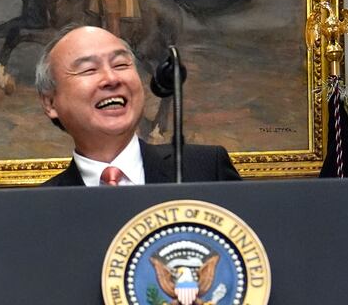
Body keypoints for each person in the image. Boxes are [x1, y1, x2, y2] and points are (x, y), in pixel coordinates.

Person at [35, 25, 240, 186]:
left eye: (121, 65)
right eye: (89, 69)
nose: (111, 78)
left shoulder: (205, 169)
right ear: (50, 102)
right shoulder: (39, 207)